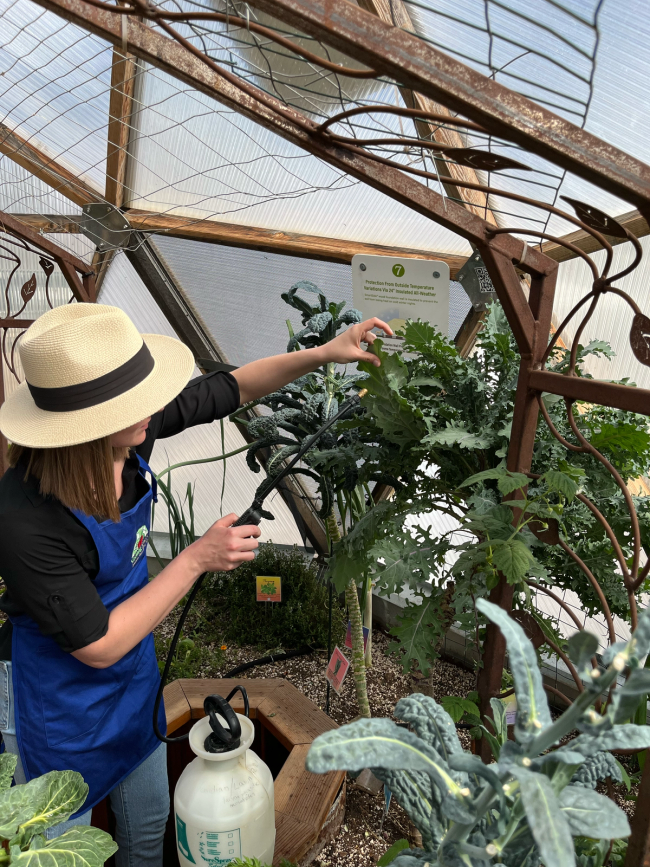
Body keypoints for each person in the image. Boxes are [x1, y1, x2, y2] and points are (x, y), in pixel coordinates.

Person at [0, 302, 391, 865]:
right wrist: (195, 558)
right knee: (64, 845)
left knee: (151, 822)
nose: (152, 409)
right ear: (83, 427)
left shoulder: (129, 431)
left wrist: (326, 354)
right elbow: (97, 643)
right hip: (60, 705)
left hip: (131, 680)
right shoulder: (22, 518)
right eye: (133, 404)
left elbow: (230, 388)